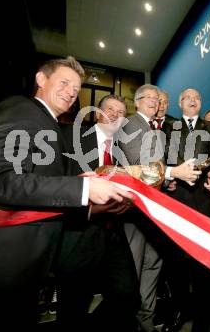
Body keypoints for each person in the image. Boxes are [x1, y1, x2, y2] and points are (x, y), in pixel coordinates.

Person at [0, 56, 133, 332]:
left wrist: (89, 198)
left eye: (76, 87)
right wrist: (84, 188)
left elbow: (39, 189)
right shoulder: (22, 109)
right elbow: (3, 182)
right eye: (64, 82)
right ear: (41, 79)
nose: (71, 91)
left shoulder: (50, 127)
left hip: (25, 267)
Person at [119, 84, 200, 332]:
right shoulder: (129, 124)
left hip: (155, 209)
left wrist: (168, 181)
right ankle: (130, 321)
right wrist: (173, 172)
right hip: (136, 211)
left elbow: (155, 169)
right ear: (137, 102)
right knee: (134, 268)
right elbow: (137, 163)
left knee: (152, 267)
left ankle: (146, 321)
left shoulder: (154, 128)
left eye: (157, 98)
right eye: (149, 98)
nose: (154, 102)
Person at [57, 94, 140, 331]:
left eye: (121, 112)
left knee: (129, 298)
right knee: (72, 308)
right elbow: (57, 182)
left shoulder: (121, 152)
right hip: (78, 233)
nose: (114, 115)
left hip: (112, 233)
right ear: (97, 113)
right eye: (109, 109)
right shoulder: (70, 137)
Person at [163, 88, 210, 332]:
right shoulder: (166, 128)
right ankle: (180, 310)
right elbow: (159, 160)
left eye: (197, 97)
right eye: (188, 97)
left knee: (204, 261)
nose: (193, 100)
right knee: (176, 261)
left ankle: (204, 316)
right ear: (180, 102)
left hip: (203, 200)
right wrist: (168, 177)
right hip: (174, 200)